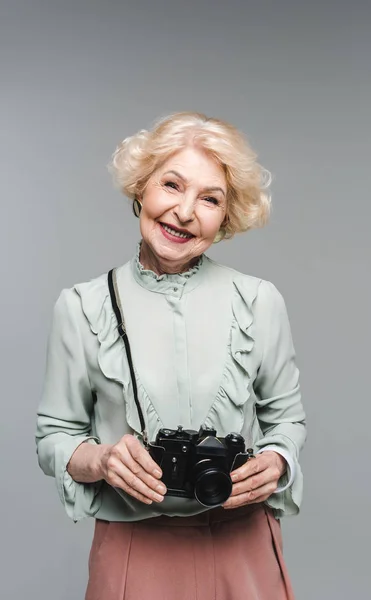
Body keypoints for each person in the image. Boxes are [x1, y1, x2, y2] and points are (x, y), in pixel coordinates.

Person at [36, 111, 306, 600]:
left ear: (226, 217)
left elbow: (287, 421)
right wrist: (101, 460)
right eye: (172, 185)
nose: (185, 212)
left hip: (242, 546)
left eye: (210, 199)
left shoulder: (259, 300)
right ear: (141, 189)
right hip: (135, 550)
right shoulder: (81, 307)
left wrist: (278, 460)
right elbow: (54, 437)